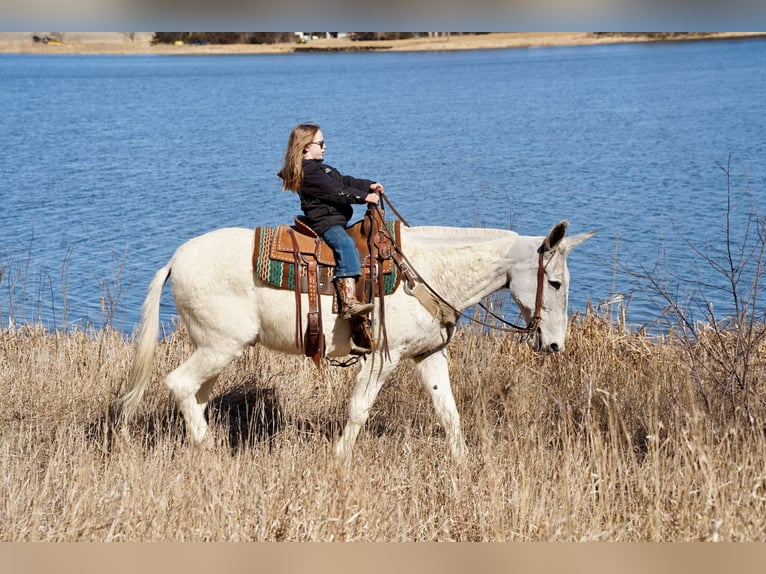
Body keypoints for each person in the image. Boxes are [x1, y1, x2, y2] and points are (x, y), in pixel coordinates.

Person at [278, 122, 384, 319]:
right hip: (326, 222)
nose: (325, 146)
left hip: (335, 219)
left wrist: (368, 185)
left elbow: (344, 181)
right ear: (306, 146)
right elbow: (334, 191)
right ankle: (348, 300)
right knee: (346, 244)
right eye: (321, 142)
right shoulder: (308, 173)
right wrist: (363, 198)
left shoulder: (322, 169)